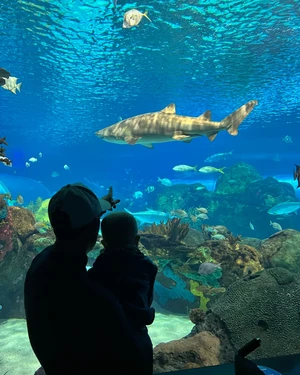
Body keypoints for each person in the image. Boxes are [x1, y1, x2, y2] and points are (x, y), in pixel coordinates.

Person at [24, 183, 145, 375]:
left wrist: (102, 205)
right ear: (94, 230)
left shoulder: (42, 263)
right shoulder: (94, 296)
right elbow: (135, 353)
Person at [88, 211, 158, 375]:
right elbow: (147, 301)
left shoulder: (98, 269)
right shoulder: (148, 267)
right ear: (137, 240)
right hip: (139, 343)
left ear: (104, 243)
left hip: (106, 343)